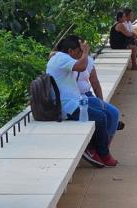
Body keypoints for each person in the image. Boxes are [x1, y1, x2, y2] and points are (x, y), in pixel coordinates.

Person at [46, 35, 118, 167]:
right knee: (101, 117)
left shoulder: (60, 57)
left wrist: (82, 52)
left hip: (75, 101)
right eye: (79, 51)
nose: (80, 55)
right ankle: (100, 152)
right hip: (67, 107)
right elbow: (82, 66)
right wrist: (85, 53)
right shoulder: (62, 58)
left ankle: (96, 147)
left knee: (105, 111)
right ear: (70, 51)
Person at [75, 54, 124, 141]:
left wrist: (101, 101)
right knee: (105, 115)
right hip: (75, 98)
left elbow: (95, 83)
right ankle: (100, 148)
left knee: (114, 112)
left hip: (87, 95)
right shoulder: (63, 61)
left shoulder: (88, 60)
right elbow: (53, 54)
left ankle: (105, 147)